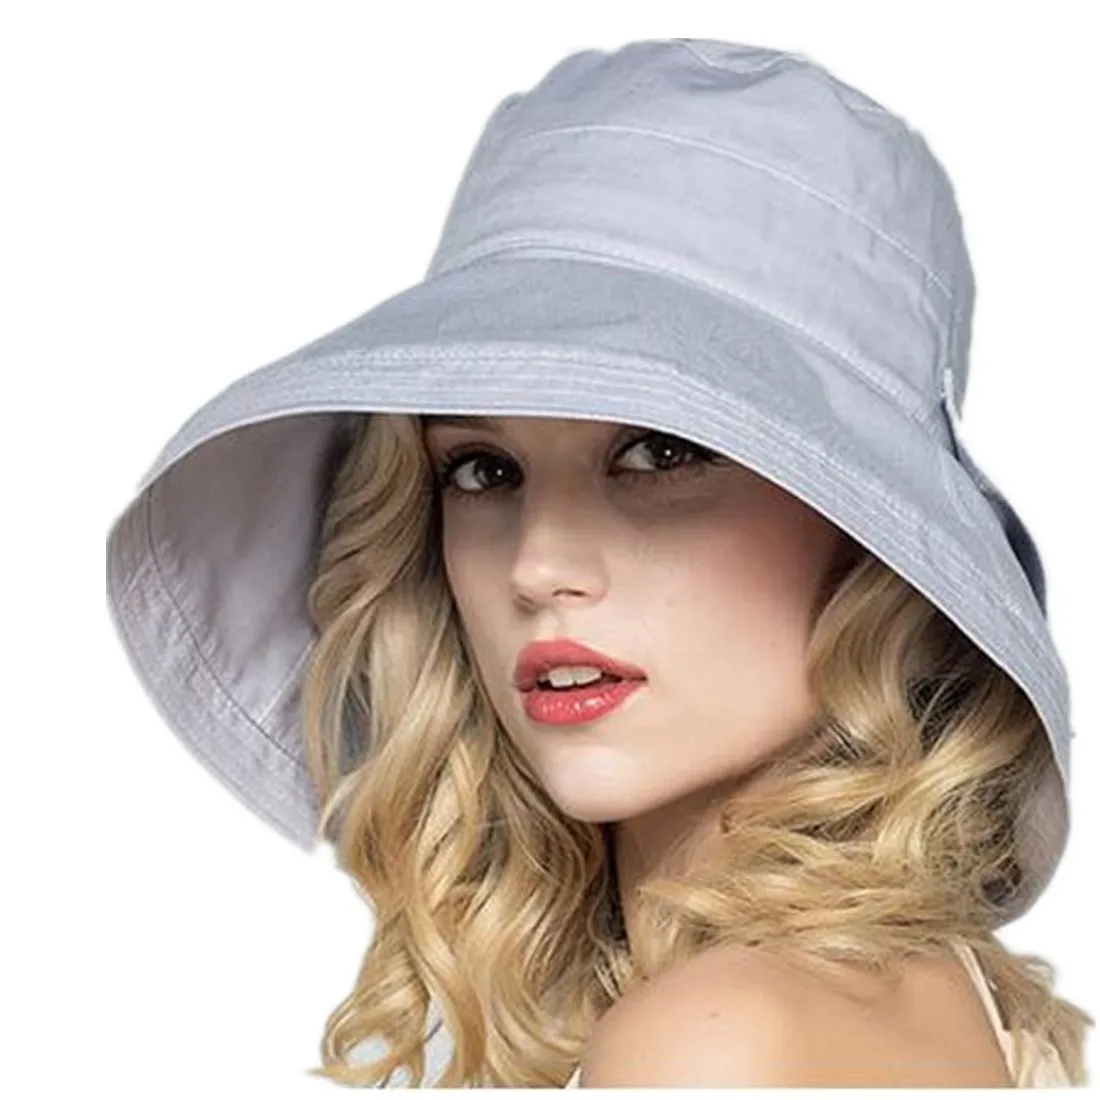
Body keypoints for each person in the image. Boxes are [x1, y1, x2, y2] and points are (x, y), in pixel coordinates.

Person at [104, 37, 1092, 1087]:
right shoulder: (924, 992)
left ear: (867, 541)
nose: (537, 564)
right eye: (482, 469)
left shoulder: (713, 1036)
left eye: (660, 453)